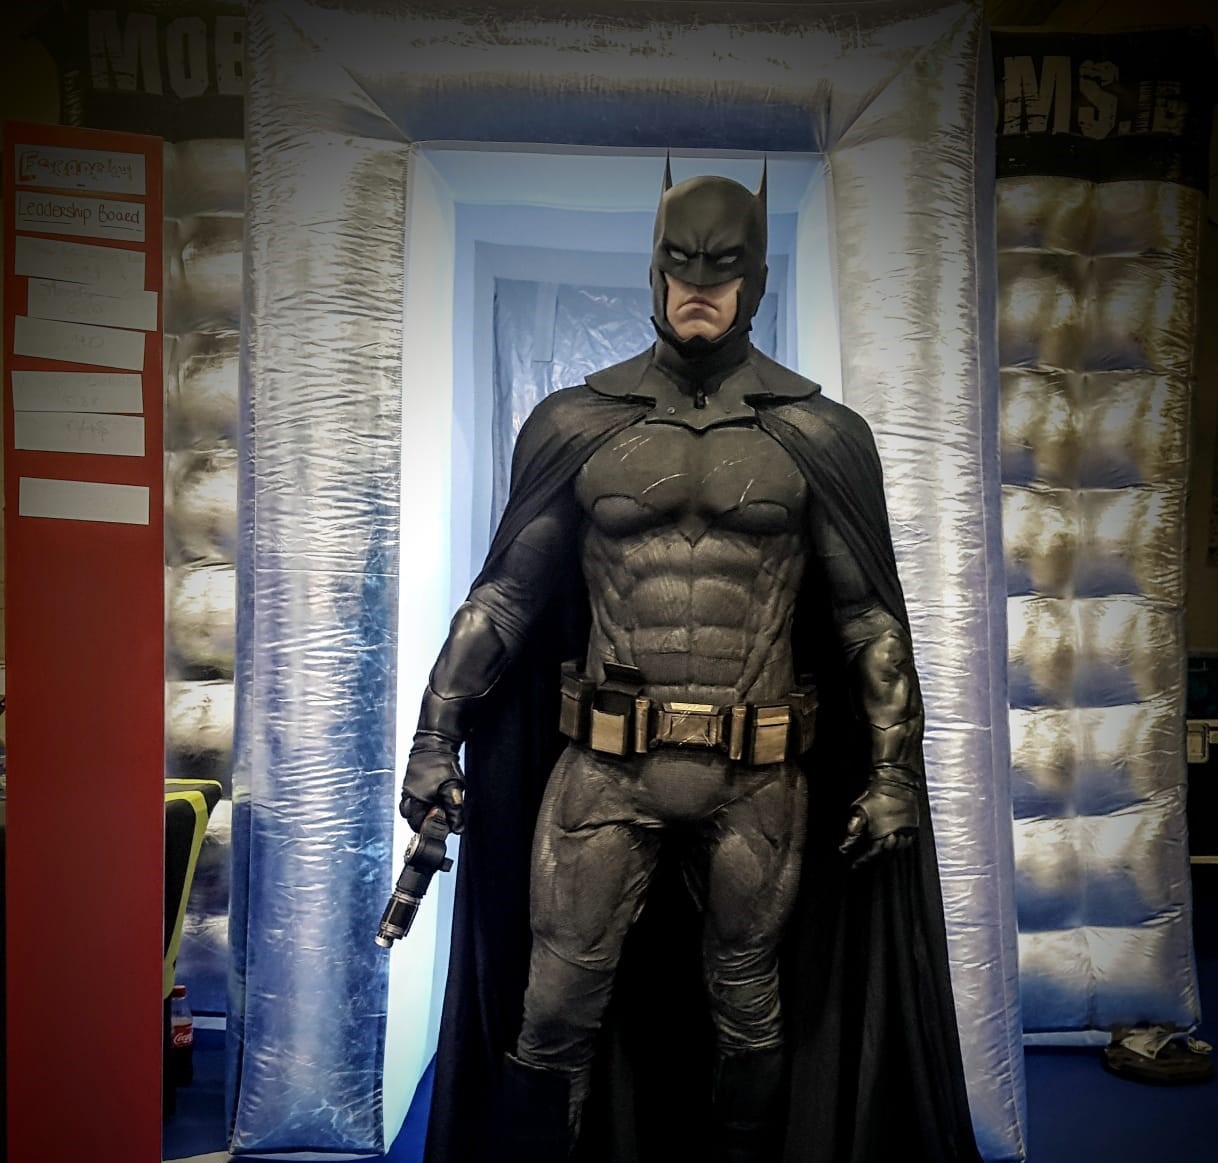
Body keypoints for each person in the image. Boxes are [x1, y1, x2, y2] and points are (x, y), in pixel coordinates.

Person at [400, 164, 981, 1163]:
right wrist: (432, 735)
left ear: (756, 279)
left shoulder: (819, 436)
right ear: (655, 270)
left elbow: (868, 623)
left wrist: (891, 771)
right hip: (604, 770)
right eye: (682, 265)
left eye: (723, 267)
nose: (700, 286)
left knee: (750, 1009)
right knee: (552, 1008)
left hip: (756, 775)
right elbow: (503, 600)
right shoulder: (578, 425)